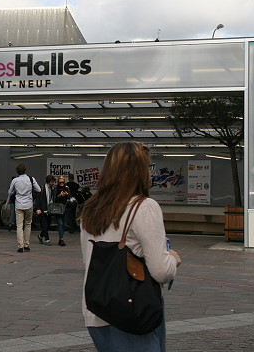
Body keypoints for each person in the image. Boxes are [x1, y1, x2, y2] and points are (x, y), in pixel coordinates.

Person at [80, 141, 180, 351]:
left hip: (96, 308)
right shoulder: (144, 207)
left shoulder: (91, 208)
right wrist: (173, 258)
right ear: (140, 171)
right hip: (133, 309)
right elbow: (161, 272)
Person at [7, 163, 40, 253]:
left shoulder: (15, 180)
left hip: (18, 205)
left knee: (19, 226)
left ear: (17, 171)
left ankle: (20, 246)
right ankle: (26, 245)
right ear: (25, 170)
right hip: (29, 205)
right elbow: (39, 190)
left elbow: (10, 192)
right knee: (28, 224)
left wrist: (15, 191)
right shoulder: (31, 179)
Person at [35, 175, 56, 246]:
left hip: (49, 210)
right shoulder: (42, 188)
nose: (53, 183)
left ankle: (40, 236)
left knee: (48, 225)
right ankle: (47, 239)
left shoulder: (52, 189)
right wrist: (37, 208)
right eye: (52, 182)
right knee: (44, 225)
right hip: (42, 210)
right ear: (49, 182)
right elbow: (37, 199)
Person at [53, 175, 71, 246]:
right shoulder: (55, 188)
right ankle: (61, 239)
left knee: (63, 224)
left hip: (66, 208)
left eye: (63, 182)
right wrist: (59, 195)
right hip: (58, 208)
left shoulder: (67, 188)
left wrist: (67, 194)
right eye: (60, 182)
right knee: (60, 223)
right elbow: (54, 199)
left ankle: (61, 238)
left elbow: (70, 197)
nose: (61, 184)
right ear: (58, 182)